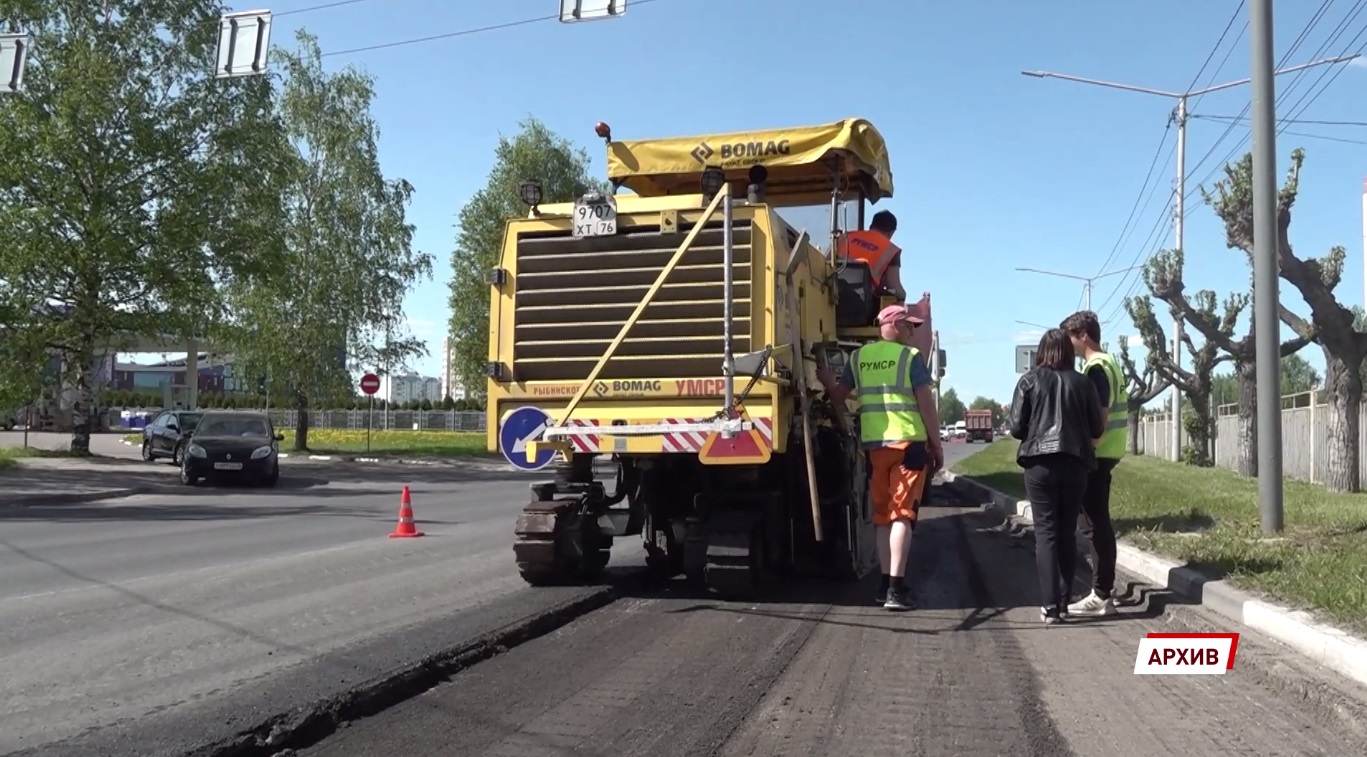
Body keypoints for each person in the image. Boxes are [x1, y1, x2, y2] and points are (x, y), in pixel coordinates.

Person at [817, 304, 943, 611]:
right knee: (903, 515)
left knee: (883, 517)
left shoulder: (859, 358)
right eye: (909, 326)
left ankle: (885, 584)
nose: (912, 332)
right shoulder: (910, 358)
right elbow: (926, 404)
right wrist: (936, 445)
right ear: (896, 325)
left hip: (875, 448)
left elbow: (838, 396)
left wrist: (826, 381)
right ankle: (897, 591)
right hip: (908, 446)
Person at [1009, 328, 1104, 624]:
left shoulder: (1029, 380)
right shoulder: (1084, 383)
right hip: (1075, 463)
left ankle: (1050, 607)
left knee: (1046, 534)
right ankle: (1063, 603)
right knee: (1066, 533)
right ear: (1067, 351)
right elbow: (1097, 429)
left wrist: (1035, 431)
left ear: (1041, 352)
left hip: (1040, 465)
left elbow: (1015, 426)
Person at [1060, 310, 1128, 617]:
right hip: (1108, 452)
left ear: (1083, 335)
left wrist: (1087, 447)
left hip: (1097, 455)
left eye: (1070, 338)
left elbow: (1099, 416)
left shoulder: (1096, 368)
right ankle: (1104, 592)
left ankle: (1101, 595)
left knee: (1094, 525)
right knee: (1097, 523)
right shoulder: (1109, 363)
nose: (1068, 345)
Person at [835, 210, 907, 301]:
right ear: (891, 233)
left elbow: (825, 262)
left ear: (871, 226)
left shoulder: (846, 236)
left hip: (831, 294)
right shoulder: (891, 250)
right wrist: (903, 295)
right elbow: (894, 286)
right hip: (859, 304)